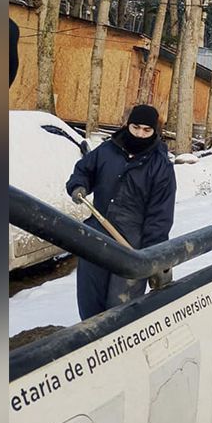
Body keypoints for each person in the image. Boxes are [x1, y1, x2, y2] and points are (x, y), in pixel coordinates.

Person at [66, 104, 176, 320]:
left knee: (121, 308)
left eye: (147, 130)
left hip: (132, 247)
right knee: (91, 304)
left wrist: (154, 257)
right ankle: (92, 345)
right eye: (136, 127)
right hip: (97, 236)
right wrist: (79, 185)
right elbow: (84, 170)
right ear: (128, 125)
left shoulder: (160, 166)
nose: (140, 134)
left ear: (155, 131)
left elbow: (160, 218)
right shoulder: (108, 150)